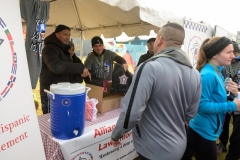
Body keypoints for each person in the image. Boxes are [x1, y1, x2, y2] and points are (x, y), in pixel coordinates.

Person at [110, 23, 202, 160]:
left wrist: (116, 134)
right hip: (179, 144)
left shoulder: (149, 67)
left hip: (153, 149)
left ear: (159, 40)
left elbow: (132, 112)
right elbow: (190, 114)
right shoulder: (195, 73)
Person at [181, 37, 240, 160]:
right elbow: (201, 105)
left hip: (205, 130)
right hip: (203, 131)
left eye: (233, 52)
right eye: (228, 52)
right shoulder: (208, 74)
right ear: (215, 54)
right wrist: (233, 105)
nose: (233, 56)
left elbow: (216, 98)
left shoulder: (218, 71)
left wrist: (234, 93)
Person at [40, 24, 90, 114]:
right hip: (51, 94)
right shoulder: (49, 49)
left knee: (63, 118)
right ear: (57, 34)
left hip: (63, 92)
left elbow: (71, 64)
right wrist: (79, 68)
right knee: (50, 120)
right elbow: (56, 67)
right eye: (65, 34)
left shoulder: (64, 49)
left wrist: (73, 56)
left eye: (69, 35)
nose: (68, 37)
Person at [217, 41, 240, 154]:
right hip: (225, 96)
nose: (233, 56)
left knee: (237, 125)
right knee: (224, 121)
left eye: (235, 53)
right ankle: (222, 143)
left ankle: (234, 146)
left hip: (238, 97)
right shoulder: (225, 63)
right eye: (231, 52)